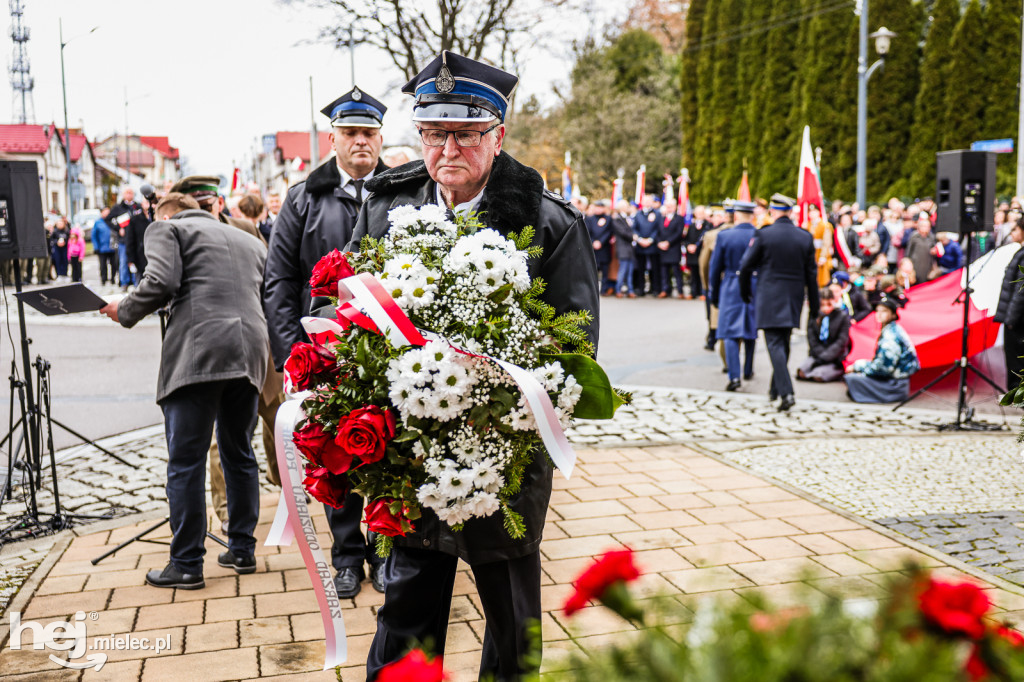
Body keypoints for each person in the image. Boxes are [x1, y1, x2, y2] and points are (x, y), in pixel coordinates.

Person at [348, 51, 599, 681]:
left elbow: (578, 349)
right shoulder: (384, 208)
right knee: (406, 605)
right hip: (406, 447)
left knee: (512, 614)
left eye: (466, 134)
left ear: (498, 135)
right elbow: (351, 312)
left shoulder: (548, 222)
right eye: (434, 134)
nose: (447, 150)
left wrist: (499, 406)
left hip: (503, 452)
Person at [99, 192, 268, 588]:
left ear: (167, 213)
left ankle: (187, 562)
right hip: (250, 352)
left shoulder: (166, 227)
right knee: (239, 451)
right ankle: (242, 549)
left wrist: (122, 308)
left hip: (200, 351)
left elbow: (161, 280)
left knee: (186, 460)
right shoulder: (247, 239)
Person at [264, 86, 391, 600]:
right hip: (326, 350)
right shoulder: (303, 197)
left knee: (387, 452)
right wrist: (290, 355)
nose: (361, 141)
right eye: (352, 133)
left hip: (388, 346)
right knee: (336, 454)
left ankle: (385, 553)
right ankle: (346, 558)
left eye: (370, 133)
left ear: (381, 139)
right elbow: (278, 280)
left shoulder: (401, 191)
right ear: (332, 138)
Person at [170, 174, 281, 535]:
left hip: (258, 346)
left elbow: (271, 280)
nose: (205, 211)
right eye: (197, 206)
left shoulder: (246, 230)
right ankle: (228, 515)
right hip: (215, 355)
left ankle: (289, 487)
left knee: (281, 423)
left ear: (219, 203)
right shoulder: (179, 235)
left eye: (209, 204)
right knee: (224, 443)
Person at [739, 193, 819, 411]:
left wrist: (745, 292)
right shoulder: (804, 237)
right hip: (793, 297)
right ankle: (775, 389)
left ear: (773, 211)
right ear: (791, 212)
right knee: (782, 342)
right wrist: (815, 305)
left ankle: (786, 392)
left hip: (769, 295)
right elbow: (812, 275)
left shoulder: (764, 235)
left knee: (775, 343)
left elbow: (745, 266)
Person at [708, 200, 758, 390]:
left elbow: (715, 268)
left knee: (729, 332)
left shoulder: (725, 236)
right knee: (750, 328)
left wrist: (714, 292)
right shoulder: (759, 234)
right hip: (754, 283)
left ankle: (734, 376)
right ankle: (748, 368)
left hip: (730, 284)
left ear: (736, 215)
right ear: (752, 215)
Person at [844, 296, 920, 403]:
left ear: (893, 315)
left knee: (852, 378)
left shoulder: (890, 336)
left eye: (884, 311)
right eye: (877, 310)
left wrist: (858, 366)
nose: (879, 314)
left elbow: (884, 368)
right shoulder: (892, 329)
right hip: (896, 380)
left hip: (895, 385)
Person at [994, 219, 1024, 391]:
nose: (1012, 233)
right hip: (1016, 318)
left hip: (1018, 321)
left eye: (1015, 229)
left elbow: (1020, 290)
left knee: (1016, 362)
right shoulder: (1020, 251)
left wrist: (1010, 318)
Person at [797, 287, 850, 382]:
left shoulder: (842, 316)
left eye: (829, 304)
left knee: (818, 375)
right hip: (817, 355)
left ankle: (832, 371)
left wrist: (825, 356)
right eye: (823, 305)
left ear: (834, 301)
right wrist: (819, 355)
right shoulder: (815, 315)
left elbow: (841, 341)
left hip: (835, 357)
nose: (826, 308)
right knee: (802, 372)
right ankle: (817, 367)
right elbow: (811, 336)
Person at [108, 187, 149, 290]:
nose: (129, 195)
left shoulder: (137, 206)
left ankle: (136, 282)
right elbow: (108, 219)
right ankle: (124, 282)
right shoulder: (118, 207)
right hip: (123, 239)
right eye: (127, 193)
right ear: (123, 195)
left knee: (136, 260)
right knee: (124, 261)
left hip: (137, 239)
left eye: (131, 193)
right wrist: (118, 228)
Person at [632, 194, 661, 296]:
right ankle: (641, 289)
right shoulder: (638, 214)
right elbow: (634, 228)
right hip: (640, 246)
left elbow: (658, 228)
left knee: (655, 268)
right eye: (645, 201)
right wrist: (639, 239)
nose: (647, 203)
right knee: (640, 269)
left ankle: (655, 289)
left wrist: (650, 240)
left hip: (652, 245)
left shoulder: (657, 213)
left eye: (649, 201)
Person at [657, 199, 685, 298]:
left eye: (670, 206)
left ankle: (680, 291)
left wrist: (668, 242)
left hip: (673, 248)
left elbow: (678, 233)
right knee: (664, 271)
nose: (669, 208)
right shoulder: (661, 218)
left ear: (675, 207)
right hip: (662, 249)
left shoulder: (679, 218)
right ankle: (665, 289)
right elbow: (657, 232)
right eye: (667, 206)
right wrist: (659, 243)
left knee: (676, 271)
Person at [585, 200, 613, 296]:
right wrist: (593, 242)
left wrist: (601, 242)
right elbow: (587, 232)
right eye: (596, 207)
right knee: (593, 271)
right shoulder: (589, 219)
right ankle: (593, 291)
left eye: (600, 207)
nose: (598, 209)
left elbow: (609, 232)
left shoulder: (608, 218)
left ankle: (604, 290)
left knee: (605, 271)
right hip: (593, 249)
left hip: (604, 248)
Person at [611, 199, 637, 297]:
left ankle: (630, 290)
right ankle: (618, 290)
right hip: (623, 248)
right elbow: (622, 232)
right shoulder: (617, 219)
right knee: (623, 270)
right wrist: (633, 236)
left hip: (629, 248)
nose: (628, 208)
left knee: (630, 270)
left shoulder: (627, 218)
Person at [904, 212, 937, 284]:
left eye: (928, 226)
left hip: (927, 263)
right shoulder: (914, 236)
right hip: (916, 263)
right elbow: (909, 250)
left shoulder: (931, 237)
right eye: (924, 226)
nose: (926, 228)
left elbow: (934, 248)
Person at [683, 205, 707, 298]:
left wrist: (697, 246)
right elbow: (686, 239)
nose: (699, 215)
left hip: (701, 252)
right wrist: (688, 245)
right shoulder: (691, 226)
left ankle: (703, 292)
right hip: (692, 253)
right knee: (693, 274)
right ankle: (693, 292)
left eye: (701, 213)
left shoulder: (707, 225)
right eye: (698, 213)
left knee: (702, 273)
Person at [92, 207, 116, 286]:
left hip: (112, 247)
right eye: (105, 212)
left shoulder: (113, 221)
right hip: (102, 248)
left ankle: (113, 279)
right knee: (103, 265)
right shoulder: (98, 223)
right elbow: (94, 236)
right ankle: (103, 279)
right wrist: (96, 247)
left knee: (114, 264)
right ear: (101, 213)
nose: (107, 213)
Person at [49, 216, 70, 281]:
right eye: (59, 224)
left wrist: (65, 242)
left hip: (64, 248)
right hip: (57, 249)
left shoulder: (66, 231)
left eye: (61, 223)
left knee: (65, 261)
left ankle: (65, 274)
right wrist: (57, 242)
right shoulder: (55, 231)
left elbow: (69, 239)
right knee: (58, 261)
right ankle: (59, 274)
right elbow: (51, 240)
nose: (60, 225)